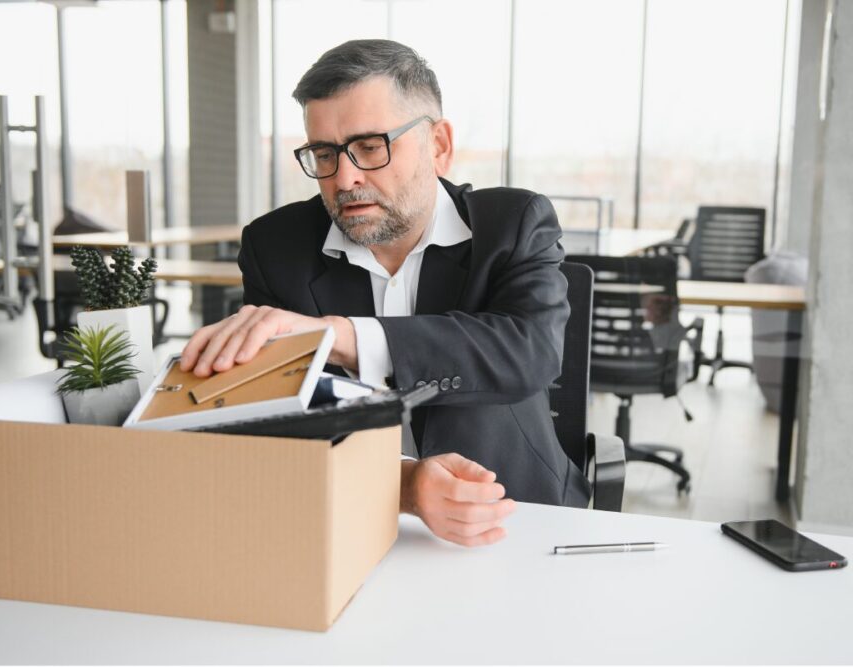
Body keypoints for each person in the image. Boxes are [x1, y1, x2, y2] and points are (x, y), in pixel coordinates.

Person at [181, 39, 590, 547]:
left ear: (438, 145)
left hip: (511, 511)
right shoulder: (274, 246)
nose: (344, 178)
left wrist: (342, 336)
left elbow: (529, 353)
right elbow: (281, 413)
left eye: (370, 147)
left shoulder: (513, 224)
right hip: (343, 514)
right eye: (324, 153)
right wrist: (400, 485)